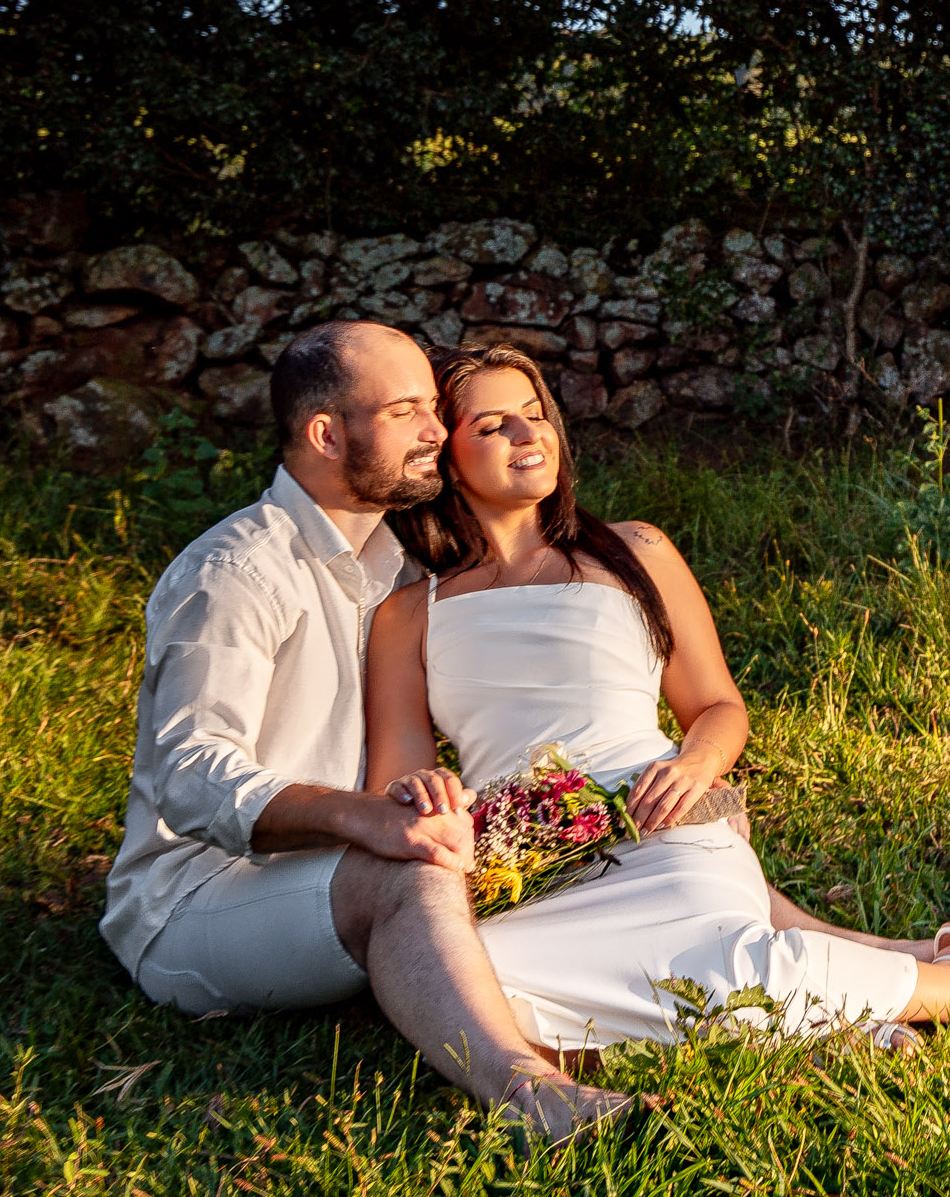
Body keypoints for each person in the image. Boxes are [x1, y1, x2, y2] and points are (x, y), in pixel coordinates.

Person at [366, 343, 950, 1052]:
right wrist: (425, 800)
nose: (526, 434)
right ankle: (825, 1013)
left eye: (534, 412)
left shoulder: (633, 553)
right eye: (491, 424)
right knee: (477, 987)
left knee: (730, 968)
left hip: (656, 811)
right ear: (448, 457)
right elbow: (394, 781)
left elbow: (718, 707)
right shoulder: (410, 614)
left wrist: (695, 767)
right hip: (524, 853)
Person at [101, 321, 622, 1138]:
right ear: (326, 433)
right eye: (409, 410)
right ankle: (538, 1099)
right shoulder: (236, 571)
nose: (437, 431)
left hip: (334, 869)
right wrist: (362, 816)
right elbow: (191, 773)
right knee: (405, 871)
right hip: (195, 900)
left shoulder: (403, 568)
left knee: (525, 842)